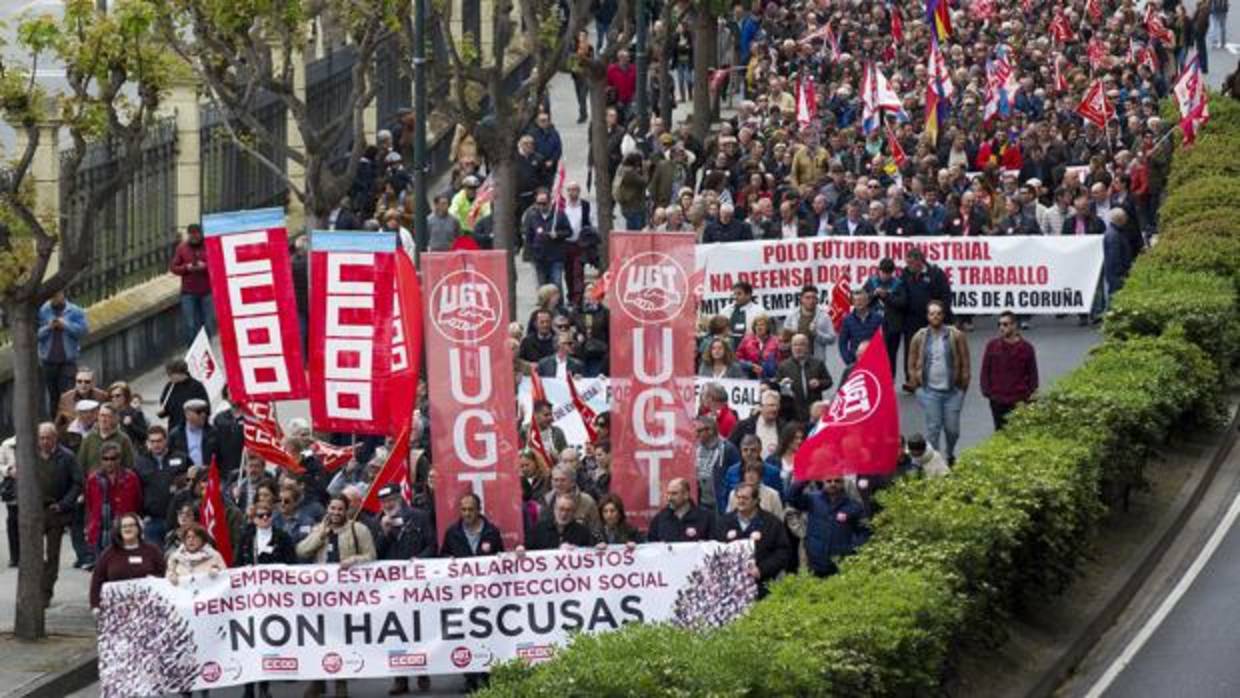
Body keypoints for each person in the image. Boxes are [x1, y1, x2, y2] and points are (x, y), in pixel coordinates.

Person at [234, 501, 294, 698]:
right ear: (253, 519)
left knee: (267, 641)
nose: (265, 518)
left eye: (268, 514)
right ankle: (249, 687)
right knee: (249, 642)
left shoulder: (283, 537)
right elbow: (236, 565)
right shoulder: (246, 538)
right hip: (250, 598)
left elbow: (292, 565)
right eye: (260, 515)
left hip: (273, 598)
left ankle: (265, 687)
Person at [908, 300, 971, 465]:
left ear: (943, 315)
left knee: (953, 430)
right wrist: (916, 384)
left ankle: (950, 453)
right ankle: (934, 462)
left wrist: (962, 387)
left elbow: (965, 362)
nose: (935, 316)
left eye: (938, 313)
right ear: (927, 316)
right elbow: (912, 362)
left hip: (952, 391)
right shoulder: (920, 336)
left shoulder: (956, 335)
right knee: (933, 429)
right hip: (930, 392)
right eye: (931, 313)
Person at [31, 423, 82, 600]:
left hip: (56, 511)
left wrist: (63, 504)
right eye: (41, 438)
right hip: (35, 511)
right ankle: (36, 586)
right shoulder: (32, 456)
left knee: (52, 554)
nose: (44, 441)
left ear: (55, 438)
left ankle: (46, 592)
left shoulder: (67, 457)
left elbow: (77, 483)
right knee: (33, 553)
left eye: (48, 437)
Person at [717, 483, 792, 597]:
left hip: (764, 587)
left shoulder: (772, 523)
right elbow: (715, 549)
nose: (741, 501)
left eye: (745, 498)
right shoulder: (723, 522)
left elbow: (783, 552)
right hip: (731, 588)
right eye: (738, 497)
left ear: (756, 500)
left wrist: (761, 570)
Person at [789, 476, 863, 577]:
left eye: (837, 481)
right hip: (815, 561)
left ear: (843, 483)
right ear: (823, 482)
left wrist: (853, 548)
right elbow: (792, 498)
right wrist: (805, 479)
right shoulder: (812, 499)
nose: (833, 484)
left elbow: (864, 531)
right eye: (829, 481)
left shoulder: (853, 505)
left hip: (841, 563)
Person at [88, 512, 164, 611]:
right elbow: (97, 580)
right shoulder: (109, 553)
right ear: (119, 530)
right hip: (116, 608)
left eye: (131, 525)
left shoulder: (152, 550)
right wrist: (95, 606)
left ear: (138, 529)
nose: (128, 529)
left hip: (147, 607)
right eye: (124, 526)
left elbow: (163, 574)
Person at [84, 441, 144, 564]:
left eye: (113, 458)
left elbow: (138, 502)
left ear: (119, 459)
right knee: (102, 568)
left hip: (125, 530)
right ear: (101, 460)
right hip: (100, 532)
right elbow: (90, 505)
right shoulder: (93, 479)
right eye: (105, 459)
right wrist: (89, 528)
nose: (109, 462)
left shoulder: (131, 478)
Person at [900, 248, 952, 388]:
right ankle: (912, 379)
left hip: (932, 318)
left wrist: (942, 314)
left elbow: (946, 295)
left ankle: (932, 378)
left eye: (911, 263)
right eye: (907, 263)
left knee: (932, 349)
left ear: (920, 261)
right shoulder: (905, 273)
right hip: (911, 318)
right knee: (911, 349)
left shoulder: (935, 273)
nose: (908, 266)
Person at [979, 311, 1039, 430]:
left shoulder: (1027, 348)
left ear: (1014, 325)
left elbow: (1033, 373)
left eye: (1005, 324)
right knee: (1000, 431)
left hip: (1019, 399)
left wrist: (1031, 395)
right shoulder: (992, 346)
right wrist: (987, 391)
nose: (1001, 328)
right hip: (997, 399)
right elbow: (985, 370)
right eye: (1000, 324)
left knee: (1019, 431)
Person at [134, 425, 189, 546]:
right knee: (154, 555)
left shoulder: (181, 458)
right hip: (152, 519)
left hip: (177, 519)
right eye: (152, 441)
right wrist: (141, 516)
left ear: (166, 440)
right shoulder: (140, 462)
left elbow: (192, 481)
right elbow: (136, 491)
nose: (156, 445)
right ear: (147, 442)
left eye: (159, 441)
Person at [38, 291, 89, 418]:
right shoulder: (42, 311)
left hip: (68, 360)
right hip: (48, 360)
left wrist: (65, 325)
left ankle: (69, 424)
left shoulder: (75, 311)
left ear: (63, 294)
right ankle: (55, 427)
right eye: (52, 296)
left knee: (67, 395)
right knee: (53, 396)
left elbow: (83, 331)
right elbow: (35, 335)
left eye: (57, 295)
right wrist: (49, 327)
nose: (54, 298)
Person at [296, 494, 377, 567]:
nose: (336, 512)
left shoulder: (359, 529)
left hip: (348, 579)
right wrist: (320, 536)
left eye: (340, 509)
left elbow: (371, 556)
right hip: (324, 579)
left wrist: (354, 560)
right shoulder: (318, 528)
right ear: (327, 509)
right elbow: (301, 552)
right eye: (333, 508)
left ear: (346, 511)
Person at [169, 222, 215, 346]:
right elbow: (173, 267)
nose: (194, 236)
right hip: (188, 292)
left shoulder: (208, 246)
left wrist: (205, 266)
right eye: (191, 234)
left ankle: (206, 349)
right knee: (190, 324)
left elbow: (217, 264)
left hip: (207, 291)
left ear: (201, 234)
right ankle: (192, 350)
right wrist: (187, 268)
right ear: (188, 235)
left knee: (207, 323)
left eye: (197, 234)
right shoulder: (182, 248)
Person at [862, 258, 907, 376]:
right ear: (879, 270)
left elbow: (902, 303)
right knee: (872, 354)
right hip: (873, 324)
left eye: (888, 274)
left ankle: (890, 381)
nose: (885, 276)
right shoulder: (871, 282)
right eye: (883, 273)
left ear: (892, 273)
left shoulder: (899, 284)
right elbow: (861, 300)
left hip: (892, 325)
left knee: (890, 355)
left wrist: (886, 296)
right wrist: (874, 295)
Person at [775, 333, 832, 424]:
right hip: (793, 412)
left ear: (807, 347)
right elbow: (776, 387)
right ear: (791, 347)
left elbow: (829, 381)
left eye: (801, 344)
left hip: (814, 410)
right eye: (795, 345)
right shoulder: (783, 366)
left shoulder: (818, 363)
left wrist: (819, 383)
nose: (798, 348)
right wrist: (782, 385)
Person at [375, 484, 438, 561]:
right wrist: (384, 534)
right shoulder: (377, 522)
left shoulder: (420, 517)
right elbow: (375, 553)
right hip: (392, 571)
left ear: (399, 499)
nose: (387, 505)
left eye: (390, 500)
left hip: (415, 569)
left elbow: (432, 546)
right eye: (383, 502)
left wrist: (419, 559)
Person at [647, 478, 716, 543]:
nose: (669, 498)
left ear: (686, 495)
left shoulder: (706, 518)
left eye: (674, 494)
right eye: (668, 493)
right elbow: (651, 546)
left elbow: (714, 546)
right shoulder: (659, 519)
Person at [694, 414, 740, 513]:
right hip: (702, 503)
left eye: (698, 431)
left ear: (710, 431)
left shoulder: (728, 449)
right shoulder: (696, 448)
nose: (695, 434)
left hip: (720, 505)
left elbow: (737, 475)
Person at [77, 403, 137, 474]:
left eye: (108, 416)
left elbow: (130, 466)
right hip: (93, 483)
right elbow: (80, 465)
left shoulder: (124, 439)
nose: (103, 419)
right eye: (101, 415)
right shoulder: (89, 438)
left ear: (115, 418)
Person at [540, 464, 601, 534]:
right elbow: (541, 529)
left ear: (572, 482)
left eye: (563, 480)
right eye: (555, 480)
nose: (558, 484)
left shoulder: (587, 501)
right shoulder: (547, 501)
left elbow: (596, 530)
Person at [782, 285, 837, 363]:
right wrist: (787, 340)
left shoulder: (824, 317)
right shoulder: (792, 316)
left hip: (816, 361)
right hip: (795, 361)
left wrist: (817, 334)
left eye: (813, 298)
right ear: (801, 299)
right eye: (807, 298)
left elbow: (832, 339)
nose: (811, 301)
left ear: (817, 300)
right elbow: (784, 340)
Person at [157, 358, 210, 434]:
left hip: (195, 429)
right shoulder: (169, 387)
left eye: (170, 374)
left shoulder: (196, 386)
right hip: (175, 430)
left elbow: (206, 408)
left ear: (180, 373)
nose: (169, 377)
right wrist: (162, 412)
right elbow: (165, 407)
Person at [528, 493, 597, 549]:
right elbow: (527, 549)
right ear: (554, 509)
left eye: (568, 510)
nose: (564, 514)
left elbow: (592, 550)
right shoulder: (539, 530)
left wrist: (599, 548)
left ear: (574, 512)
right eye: (561, 509)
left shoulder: (583, 532)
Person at [728, 390, 785, 457]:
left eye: (777, 405)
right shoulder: (744, 426)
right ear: (761, 407)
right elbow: (730, 448)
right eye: (771, 405)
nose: (774, 409)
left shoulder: (783, 427)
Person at [839, 287, 884, 367]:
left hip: (874, 360)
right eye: (856, 300)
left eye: (861, 300)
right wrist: (848, 360)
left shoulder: (878, 318)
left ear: (867, 301)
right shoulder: (847, 320)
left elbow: (883, 341)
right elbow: (842, 343)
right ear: (852, 302)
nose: (858, 303)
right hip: (854, 361)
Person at [168, 399, 220, 468]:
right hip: (184, 475)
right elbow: (171, 458)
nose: (203, 415)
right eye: (198, 412)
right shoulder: (176, 434)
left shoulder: (213, 432)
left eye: (205, 412)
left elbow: (221, 457)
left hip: (207, 474)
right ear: (187, 414)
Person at [55, 367, 108, 432]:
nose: (83, 384)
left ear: (93, 383)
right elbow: (59, 423)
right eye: (79, 381)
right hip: (74, 435)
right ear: (75, 382)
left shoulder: (102, 396)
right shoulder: (65, 398)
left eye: (87, 382)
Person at [735, 314, 780, 378]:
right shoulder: (746, 340)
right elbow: (737, 359)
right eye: (757, 325)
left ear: (767, 327)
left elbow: (779, 360)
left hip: (769, 376)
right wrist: (750, 366)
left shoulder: (775, 341)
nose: (759, 327)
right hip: (750, 376)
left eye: (762, 325)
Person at [719, 282, 764, 346]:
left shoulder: (759, 311)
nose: (735, 297)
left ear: (748, 295)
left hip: (751, 348)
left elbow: (763, 333)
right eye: (734, 294)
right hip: (729, 348)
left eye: (739, 294)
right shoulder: (726, 310)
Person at [106, 382, 147, 451]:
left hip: (131, 451)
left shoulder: (135, 413)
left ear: (126, 396)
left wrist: (131, 425)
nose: (114, 399)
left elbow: (144, 435)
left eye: (117, 396)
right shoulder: (108, 413)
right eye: (111, 396)